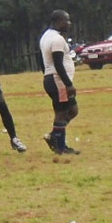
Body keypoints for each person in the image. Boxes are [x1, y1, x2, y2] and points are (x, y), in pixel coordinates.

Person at [40, 10, 80, 155]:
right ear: (59, 21)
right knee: (61, 113)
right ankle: (60, 146)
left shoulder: (46, 36)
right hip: (58, 81)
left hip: (52, 79)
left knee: (72, 110)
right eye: (66, 20)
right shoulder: (57, 40)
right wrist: (68, 84)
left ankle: (54, 137)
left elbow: (42, 60)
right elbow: (58, 64)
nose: (69, 23)